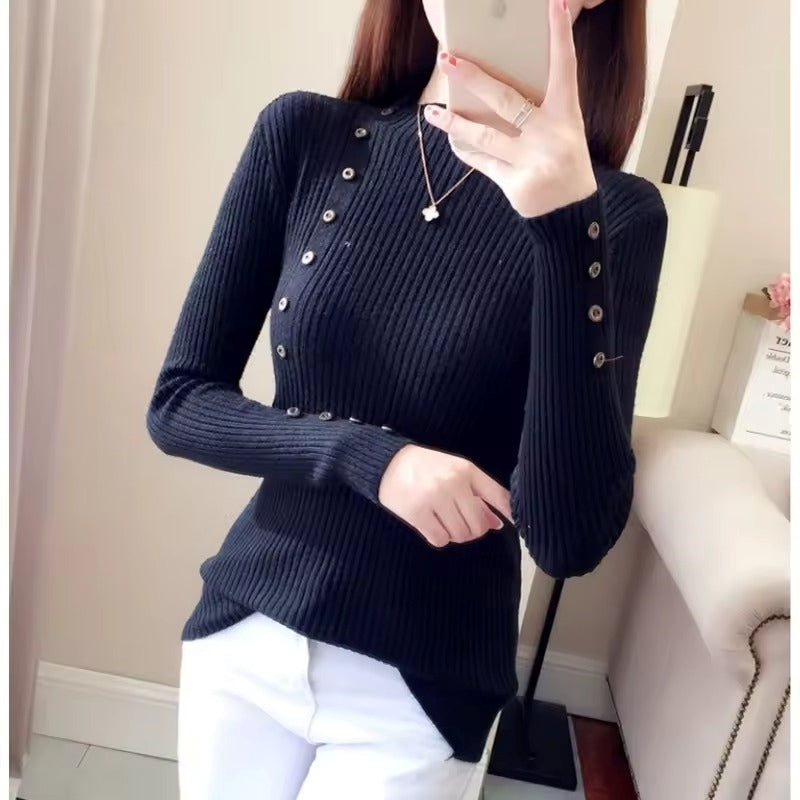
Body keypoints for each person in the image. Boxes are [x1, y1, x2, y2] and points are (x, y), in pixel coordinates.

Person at [147, 0, 666, 797]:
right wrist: (372, 458)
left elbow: (569, 540)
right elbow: (180, 403)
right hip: (245, 634)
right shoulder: (305, 134)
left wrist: (566, 228)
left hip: (422, 689)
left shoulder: (616, 215)